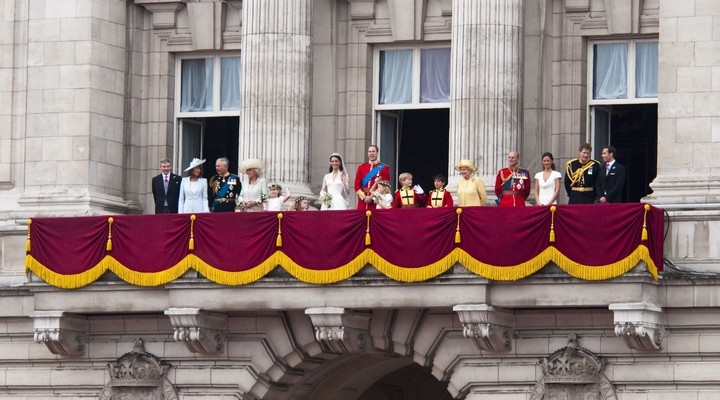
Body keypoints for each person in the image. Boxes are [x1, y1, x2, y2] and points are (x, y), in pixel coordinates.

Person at [354, 145, 391, 210]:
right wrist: (363, 197)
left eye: (373, 151)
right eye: (369, 152)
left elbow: (384, 185)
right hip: (362, 202)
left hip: (376, 201)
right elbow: (356, 186)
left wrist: (371, 197)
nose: (371, 153)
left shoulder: (384, 168)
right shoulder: (361, 167)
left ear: (377, 153)